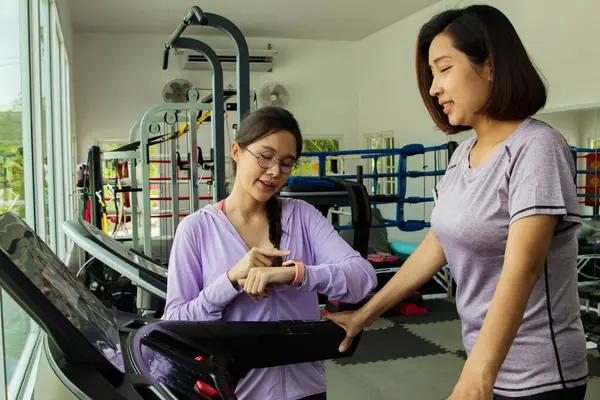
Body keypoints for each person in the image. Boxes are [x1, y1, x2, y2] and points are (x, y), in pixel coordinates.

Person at [325, 5, 588, 400]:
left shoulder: (536, 147)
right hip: (487, 367)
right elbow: (436, 247)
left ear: (490, 65)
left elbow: (524, 266)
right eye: (432, 75)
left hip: (540, 377)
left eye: (444, 69)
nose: (434, 88)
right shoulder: (460, 157)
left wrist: (477, 376)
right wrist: (365, 314)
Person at [163, 106, 377, 400]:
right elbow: (175, 325)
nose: (275, 171)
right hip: (235, 393)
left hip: (306, 390)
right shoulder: (196, 229)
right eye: (265, 156)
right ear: (237, 151)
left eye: (286, 163)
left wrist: (296, 275)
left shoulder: (302, 216)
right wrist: (229, 281)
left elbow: (362, 277)